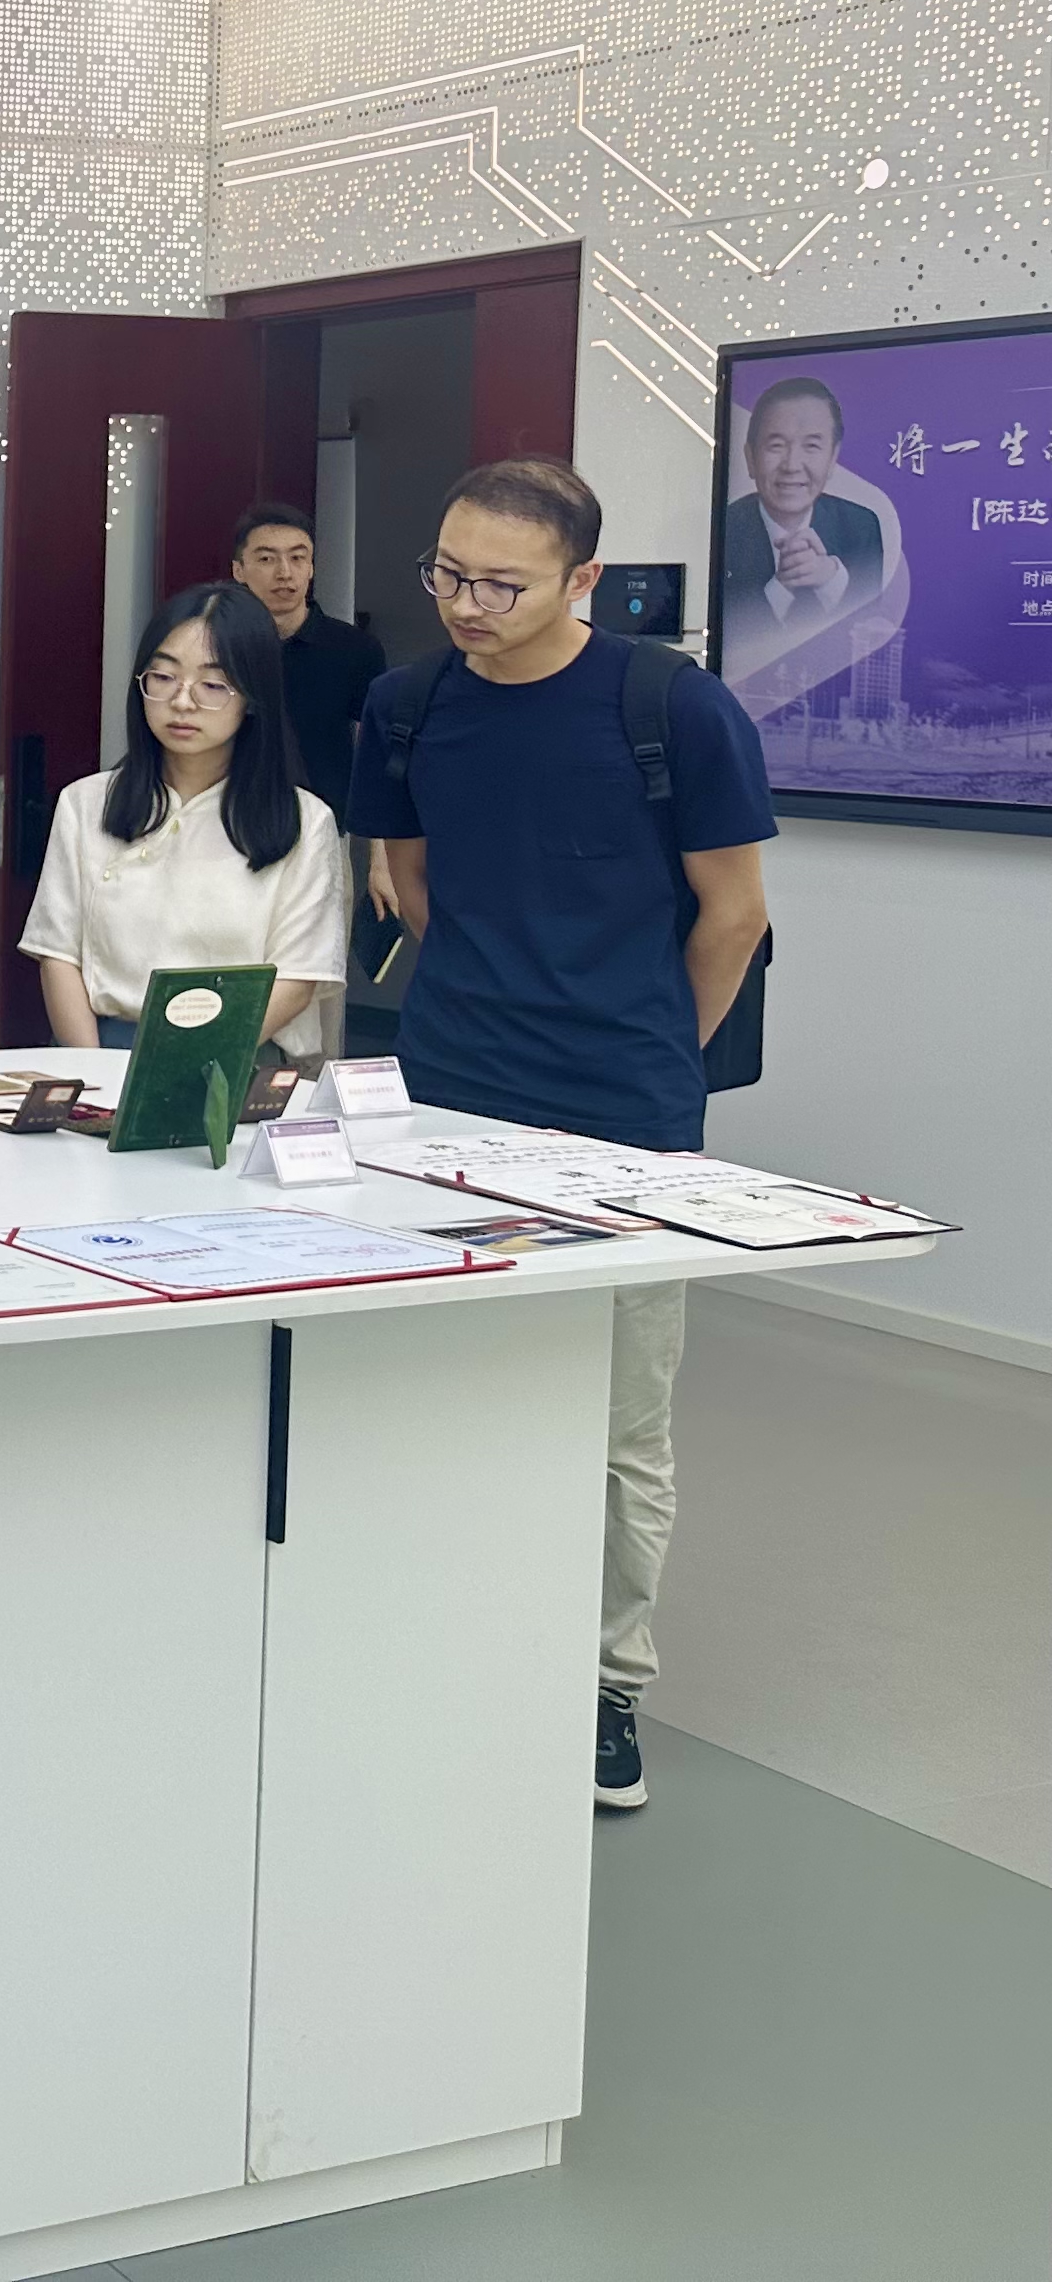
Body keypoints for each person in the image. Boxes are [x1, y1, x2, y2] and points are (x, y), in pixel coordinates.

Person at [349, 458, 773, 1817]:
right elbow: (411, 885)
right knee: (433, 1377)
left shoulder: (673, 708)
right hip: (445, 1097)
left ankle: (604, 1684)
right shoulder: (406, 705)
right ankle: (444, 1633)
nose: (465, 604)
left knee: (619, 1418)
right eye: (446, 573)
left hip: (628, 1116)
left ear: (582, 579)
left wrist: (650, 1054)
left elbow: (735, 916)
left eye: (501, 584)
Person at [21, 583, 348, 1057]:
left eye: (212, 685)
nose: (182, 701)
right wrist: (94, 1071)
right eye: (163, 677)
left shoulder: (304, 822)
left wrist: (187, 1066)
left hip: (238, 1057)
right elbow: (57, 955)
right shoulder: (85, 803)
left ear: (253, 696)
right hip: (103, 1053)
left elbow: (297, 979)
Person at [716, 375, 887, 671]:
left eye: (811, 446)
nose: (792, 465)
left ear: (833, 458)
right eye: (776, 445)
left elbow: (869, 632)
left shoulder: (861, 527)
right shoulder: (723, 530)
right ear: (750, 458)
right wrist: (781, 588)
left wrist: (832, 579)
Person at [229, 501, 385, 803]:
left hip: (326, 815)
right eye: (266, 559)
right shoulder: (216, 645)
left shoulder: (355, 649)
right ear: (239, 570)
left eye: (298, 558)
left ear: (311, 567)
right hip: (231, 810)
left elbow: (374, 750)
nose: (285, 573)